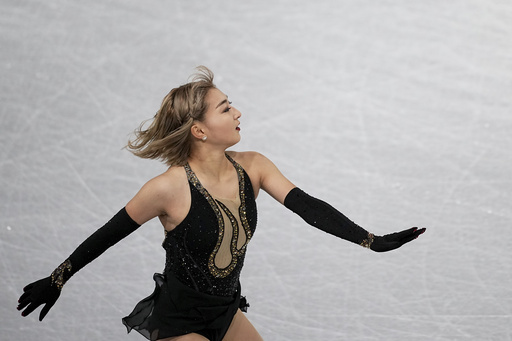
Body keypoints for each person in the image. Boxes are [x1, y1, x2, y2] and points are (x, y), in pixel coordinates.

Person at [17, 66, 426, 341]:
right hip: (179, 317)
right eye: (226, 107)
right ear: (199, 129)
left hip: (226, 309)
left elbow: (309, 207)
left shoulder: (255, 167)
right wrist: (58, 278)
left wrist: (369, 240)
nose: (238, 111)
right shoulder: (167, 188)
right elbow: (107, 235)